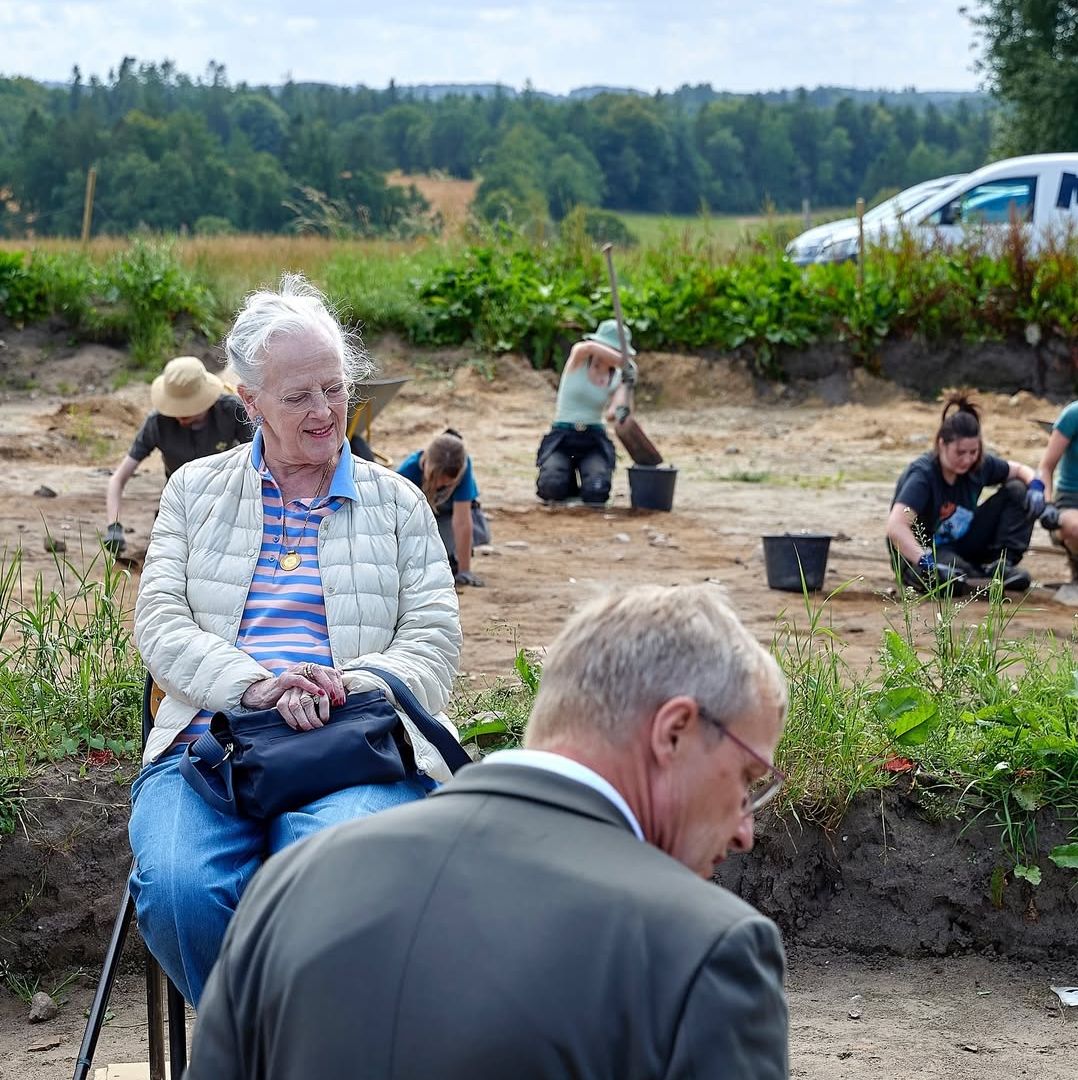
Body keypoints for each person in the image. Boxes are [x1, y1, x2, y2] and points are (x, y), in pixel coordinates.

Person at [187, 583, 790, 1080]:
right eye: (746, 776)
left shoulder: (292, 881)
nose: (745, 828)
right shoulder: (708, 949)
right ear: (675, 731)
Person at [129, 274, 462, 1007]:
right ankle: (256, 1051)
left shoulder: (399, 502)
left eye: (336, 388)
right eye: (299, 396)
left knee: (335, 881)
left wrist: (346, 687)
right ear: (248, 403)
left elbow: (434, 643)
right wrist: (252, 685)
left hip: (354, 744)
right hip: (213, 742)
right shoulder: (194, 491)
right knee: (181, 889)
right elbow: (159, 622)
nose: (326, 411)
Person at [887, 392, 1038, 593]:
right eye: (960, 453)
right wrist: (925, 562)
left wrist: (1037, 488)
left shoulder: (977, 465)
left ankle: (1001, 564)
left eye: (973, 452)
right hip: (924, 553)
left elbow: (1020, 470)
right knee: (953, 579)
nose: (967, 460)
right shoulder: (923, 475)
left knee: (1018, 489)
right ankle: (969, 575)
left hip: (961, 543)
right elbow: (896, 526)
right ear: (942, 444)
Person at [103, 355, 253, 554]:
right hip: (178, 506)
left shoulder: (231, 411)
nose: (181, 416)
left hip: (226, 505)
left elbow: (259, 464)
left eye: (189, 410)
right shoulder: (157, 423)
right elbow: (118, 479)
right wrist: (114, 526)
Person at [536, 318, 636, 506]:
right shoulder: (579, 359)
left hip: (593, 438)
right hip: (563, 436)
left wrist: (628, 383)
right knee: (551, 487)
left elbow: (613, 413)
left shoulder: (618, 374)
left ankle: (583, 479)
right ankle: (568, 480)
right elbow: (585, 347)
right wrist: (624, 361)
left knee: (597, 490)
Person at [396, 429, 489, 587]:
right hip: (417, 518)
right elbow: (396, 520)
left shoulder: (464, 467)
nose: (439, 485)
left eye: (446, 483)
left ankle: (455, 557)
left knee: (477, 533)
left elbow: (461, 521)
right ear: (426, 461)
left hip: (447, 515)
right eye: (434, 478)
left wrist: (464, 571)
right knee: (425, 555)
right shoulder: (407, 472)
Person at [1031, 399, 1078, 585]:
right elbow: (1046, 467)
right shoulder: (1074, 414)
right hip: (1071, 504)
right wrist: (1047, 504)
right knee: (1077, 529)